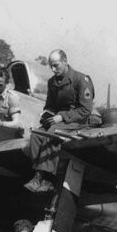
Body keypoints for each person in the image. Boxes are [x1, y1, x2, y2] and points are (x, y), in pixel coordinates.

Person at [24, 49, 95, 193]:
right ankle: (37, 174)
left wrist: (62, 117)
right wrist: (46, 116)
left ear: (65, 62)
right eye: (50, 65)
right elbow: (50, 105)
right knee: (36, 135)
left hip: (78, 121)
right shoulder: (52, 82)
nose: (52, 69)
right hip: (58, 120)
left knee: (52, 133)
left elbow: (85, 110)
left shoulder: (82, 80)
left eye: (56, 65)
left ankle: (44, 177)